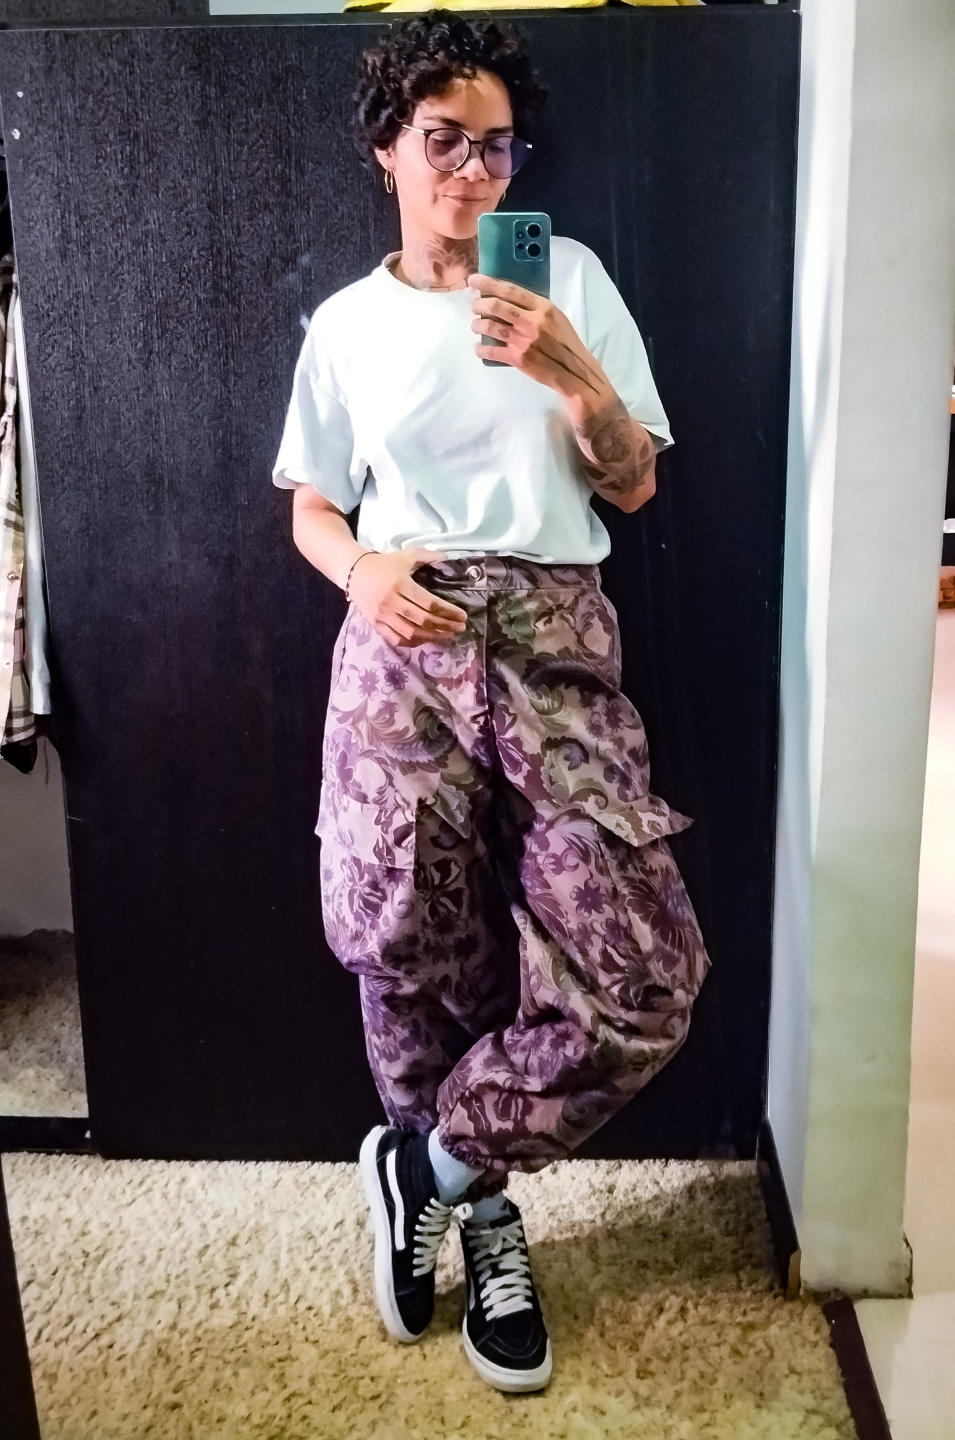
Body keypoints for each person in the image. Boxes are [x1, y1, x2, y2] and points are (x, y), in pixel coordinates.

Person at [271, 8, 712, 1395]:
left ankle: (437, 1166)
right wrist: (363, 569)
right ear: (387, 149)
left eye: (498, 146)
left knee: (642, 975)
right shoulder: (348, 325)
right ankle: (487, 1215)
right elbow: (311, 506)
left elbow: (634, 480)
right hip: (404, 632)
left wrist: (567, 367)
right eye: (445, 141)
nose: (474, 171)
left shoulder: (565, 277)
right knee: (405, 935)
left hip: (554, 630)